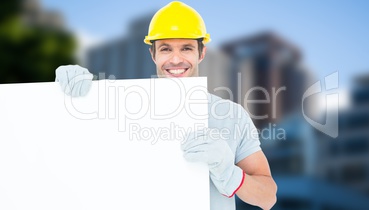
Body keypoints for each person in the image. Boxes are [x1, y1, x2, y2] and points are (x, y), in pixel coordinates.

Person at [55, 1, 277, 209]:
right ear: (152, 54)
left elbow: (268, 197)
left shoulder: (230, 115)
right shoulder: (120, 109)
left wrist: (228, 173)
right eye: (166, 49)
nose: (176, 59)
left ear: (202, 52)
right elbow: (74, 161)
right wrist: (69, 96)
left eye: (187, 48)